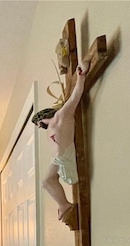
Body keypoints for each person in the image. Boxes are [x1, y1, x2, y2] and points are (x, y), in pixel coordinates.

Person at [31, 62, 90, 230]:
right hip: (58, 158)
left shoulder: (61, 116)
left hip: (66, 155)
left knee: (54, 180)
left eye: (38, 122)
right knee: (46, 182)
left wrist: (80, 76)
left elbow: (74, 97)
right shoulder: (50, 127)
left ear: (43, 117)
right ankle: (64, 204)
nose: (39, 126)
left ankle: (65, 205)